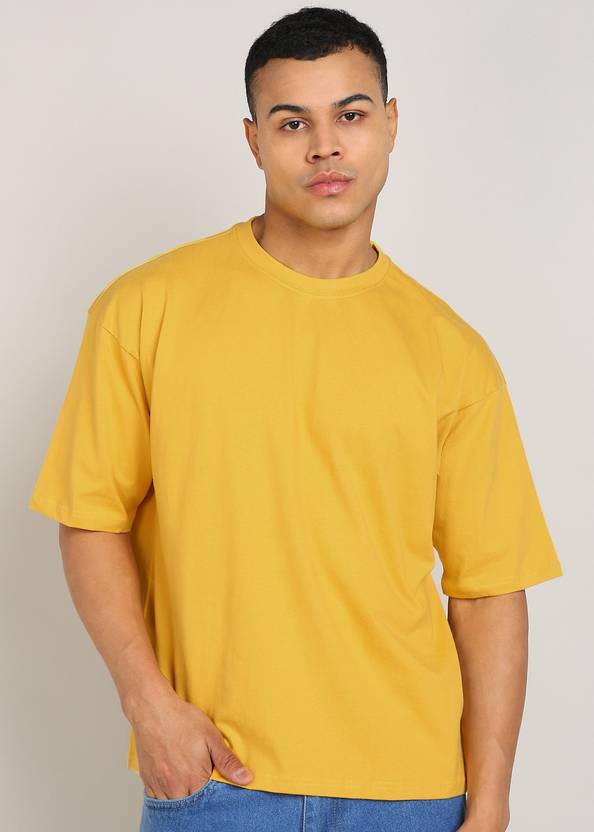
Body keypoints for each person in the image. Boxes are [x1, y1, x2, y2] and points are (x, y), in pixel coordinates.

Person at [28, 7, 563, 832]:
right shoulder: (144, 309)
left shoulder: (451, 353)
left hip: (414, 794)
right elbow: (91, 517)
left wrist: (490, 805)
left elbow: (489, 592)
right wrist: (149, 706)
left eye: (350, 115)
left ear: (390, 125)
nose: (325, 147)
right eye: (292, 122)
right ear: (253, 140)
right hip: (217, 782)